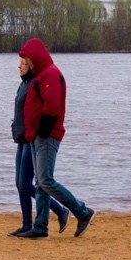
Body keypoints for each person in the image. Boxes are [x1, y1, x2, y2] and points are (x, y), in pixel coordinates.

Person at [19, 38, 93, 238]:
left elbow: (52, 107)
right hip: (36, 135)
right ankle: (40, 226)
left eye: (27, 59)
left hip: (46, 135)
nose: (26, 63)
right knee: (40, 183)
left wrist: (42, 131)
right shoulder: (40, 75)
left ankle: (82, 212)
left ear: (35, 57)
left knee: (45, 180)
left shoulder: (50, 74)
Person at [10, 51, 67, 237]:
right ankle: (26, 224)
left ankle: (60, 211)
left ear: (30, 65)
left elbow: (40, 110)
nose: (19, 66)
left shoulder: (35, 84)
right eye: (19, 63)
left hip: (30, 138)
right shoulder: (23, 84)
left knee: (27, 184)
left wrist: (37, 131)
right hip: (20, 138)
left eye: (23, 63)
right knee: (20, 184)